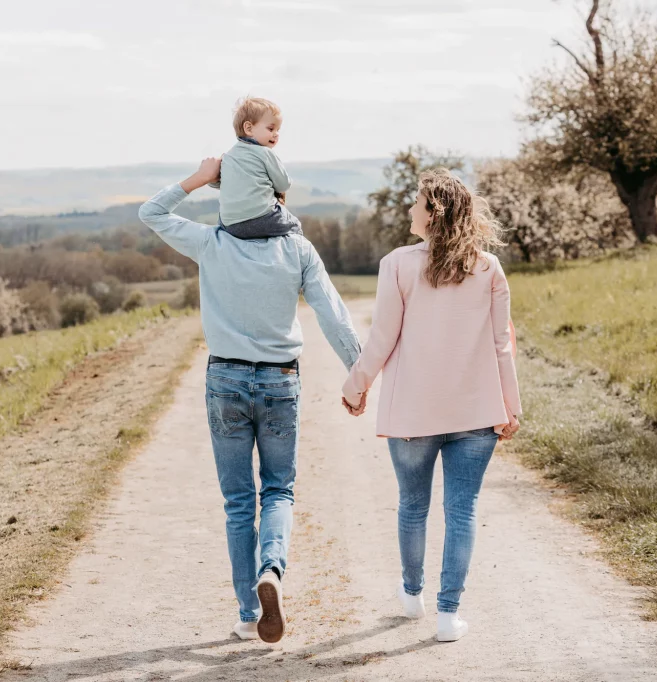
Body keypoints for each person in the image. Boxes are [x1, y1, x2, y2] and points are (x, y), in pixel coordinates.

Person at [138, 156, 360, 643]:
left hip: (225, 380)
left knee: (239, 501)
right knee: (278, 489)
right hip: (281, 381)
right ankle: (272, 572)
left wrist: (199, 179)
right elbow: (334, 316)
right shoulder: (298, 249)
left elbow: (150, 213)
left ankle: (246, 614)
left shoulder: (211, 243)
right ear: (277, 197)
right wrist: (358, 373)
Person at [341, 168, 522, 643]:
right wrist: (511, 405)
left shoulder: (398, 263)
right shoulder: (488, 268)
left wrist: (356, 385)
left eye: (415, 202)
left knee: (413, 506)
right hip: (478, 414)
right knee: (461, 512)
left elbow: (383, 337)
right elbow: (503, 344)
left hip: (413, 415)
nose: (409, 209)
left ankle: (411, 595)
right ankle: (448, 616)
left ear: (432, 211)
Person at [207, 97, 303, 240]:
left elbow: (214, 182)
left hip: (229, 225)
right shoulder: (265, 153)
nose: (276, 134)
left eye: (278, 130)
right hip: (261, 219)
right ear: (249, 128)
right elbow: (283, 184)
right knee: (295, 226)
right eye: (271, 128)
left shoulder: (228, 156)